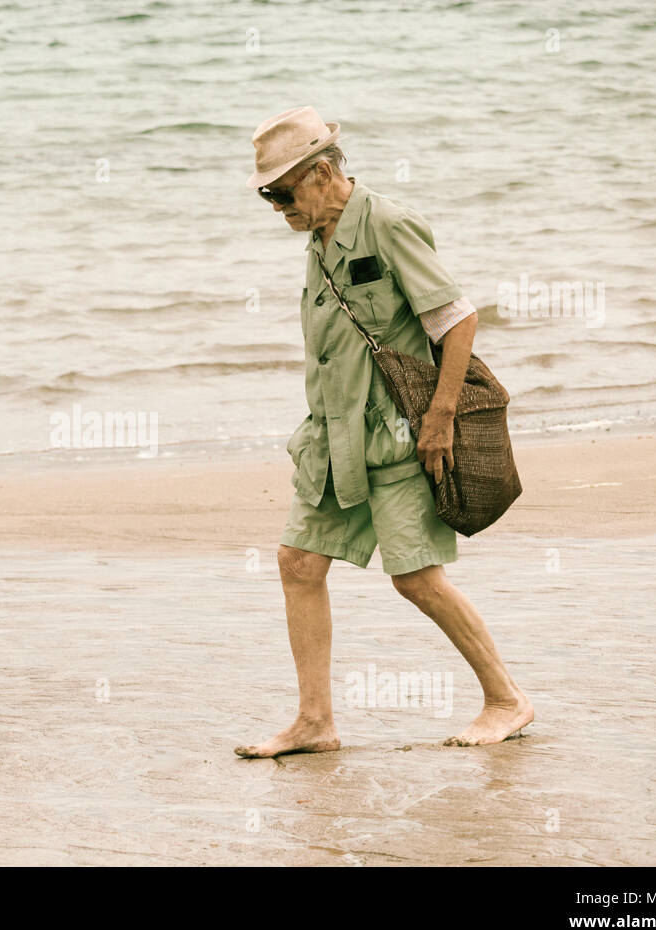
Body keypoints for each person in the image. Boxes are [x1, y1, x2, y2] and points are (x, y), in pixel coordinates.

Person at [235, 106, 532, 757]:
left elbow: (458, 319)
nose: (276, 207)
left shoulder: (388, 223)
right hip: (331, 440)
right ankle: (315, 721)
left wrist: (441, 417)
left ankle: (507, 701)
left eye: (282, 193)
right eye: (267, 196)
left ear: (320, 174)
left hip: (399, 438)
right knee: (299, 562)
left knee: (416, 578)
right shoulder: (319, 240)